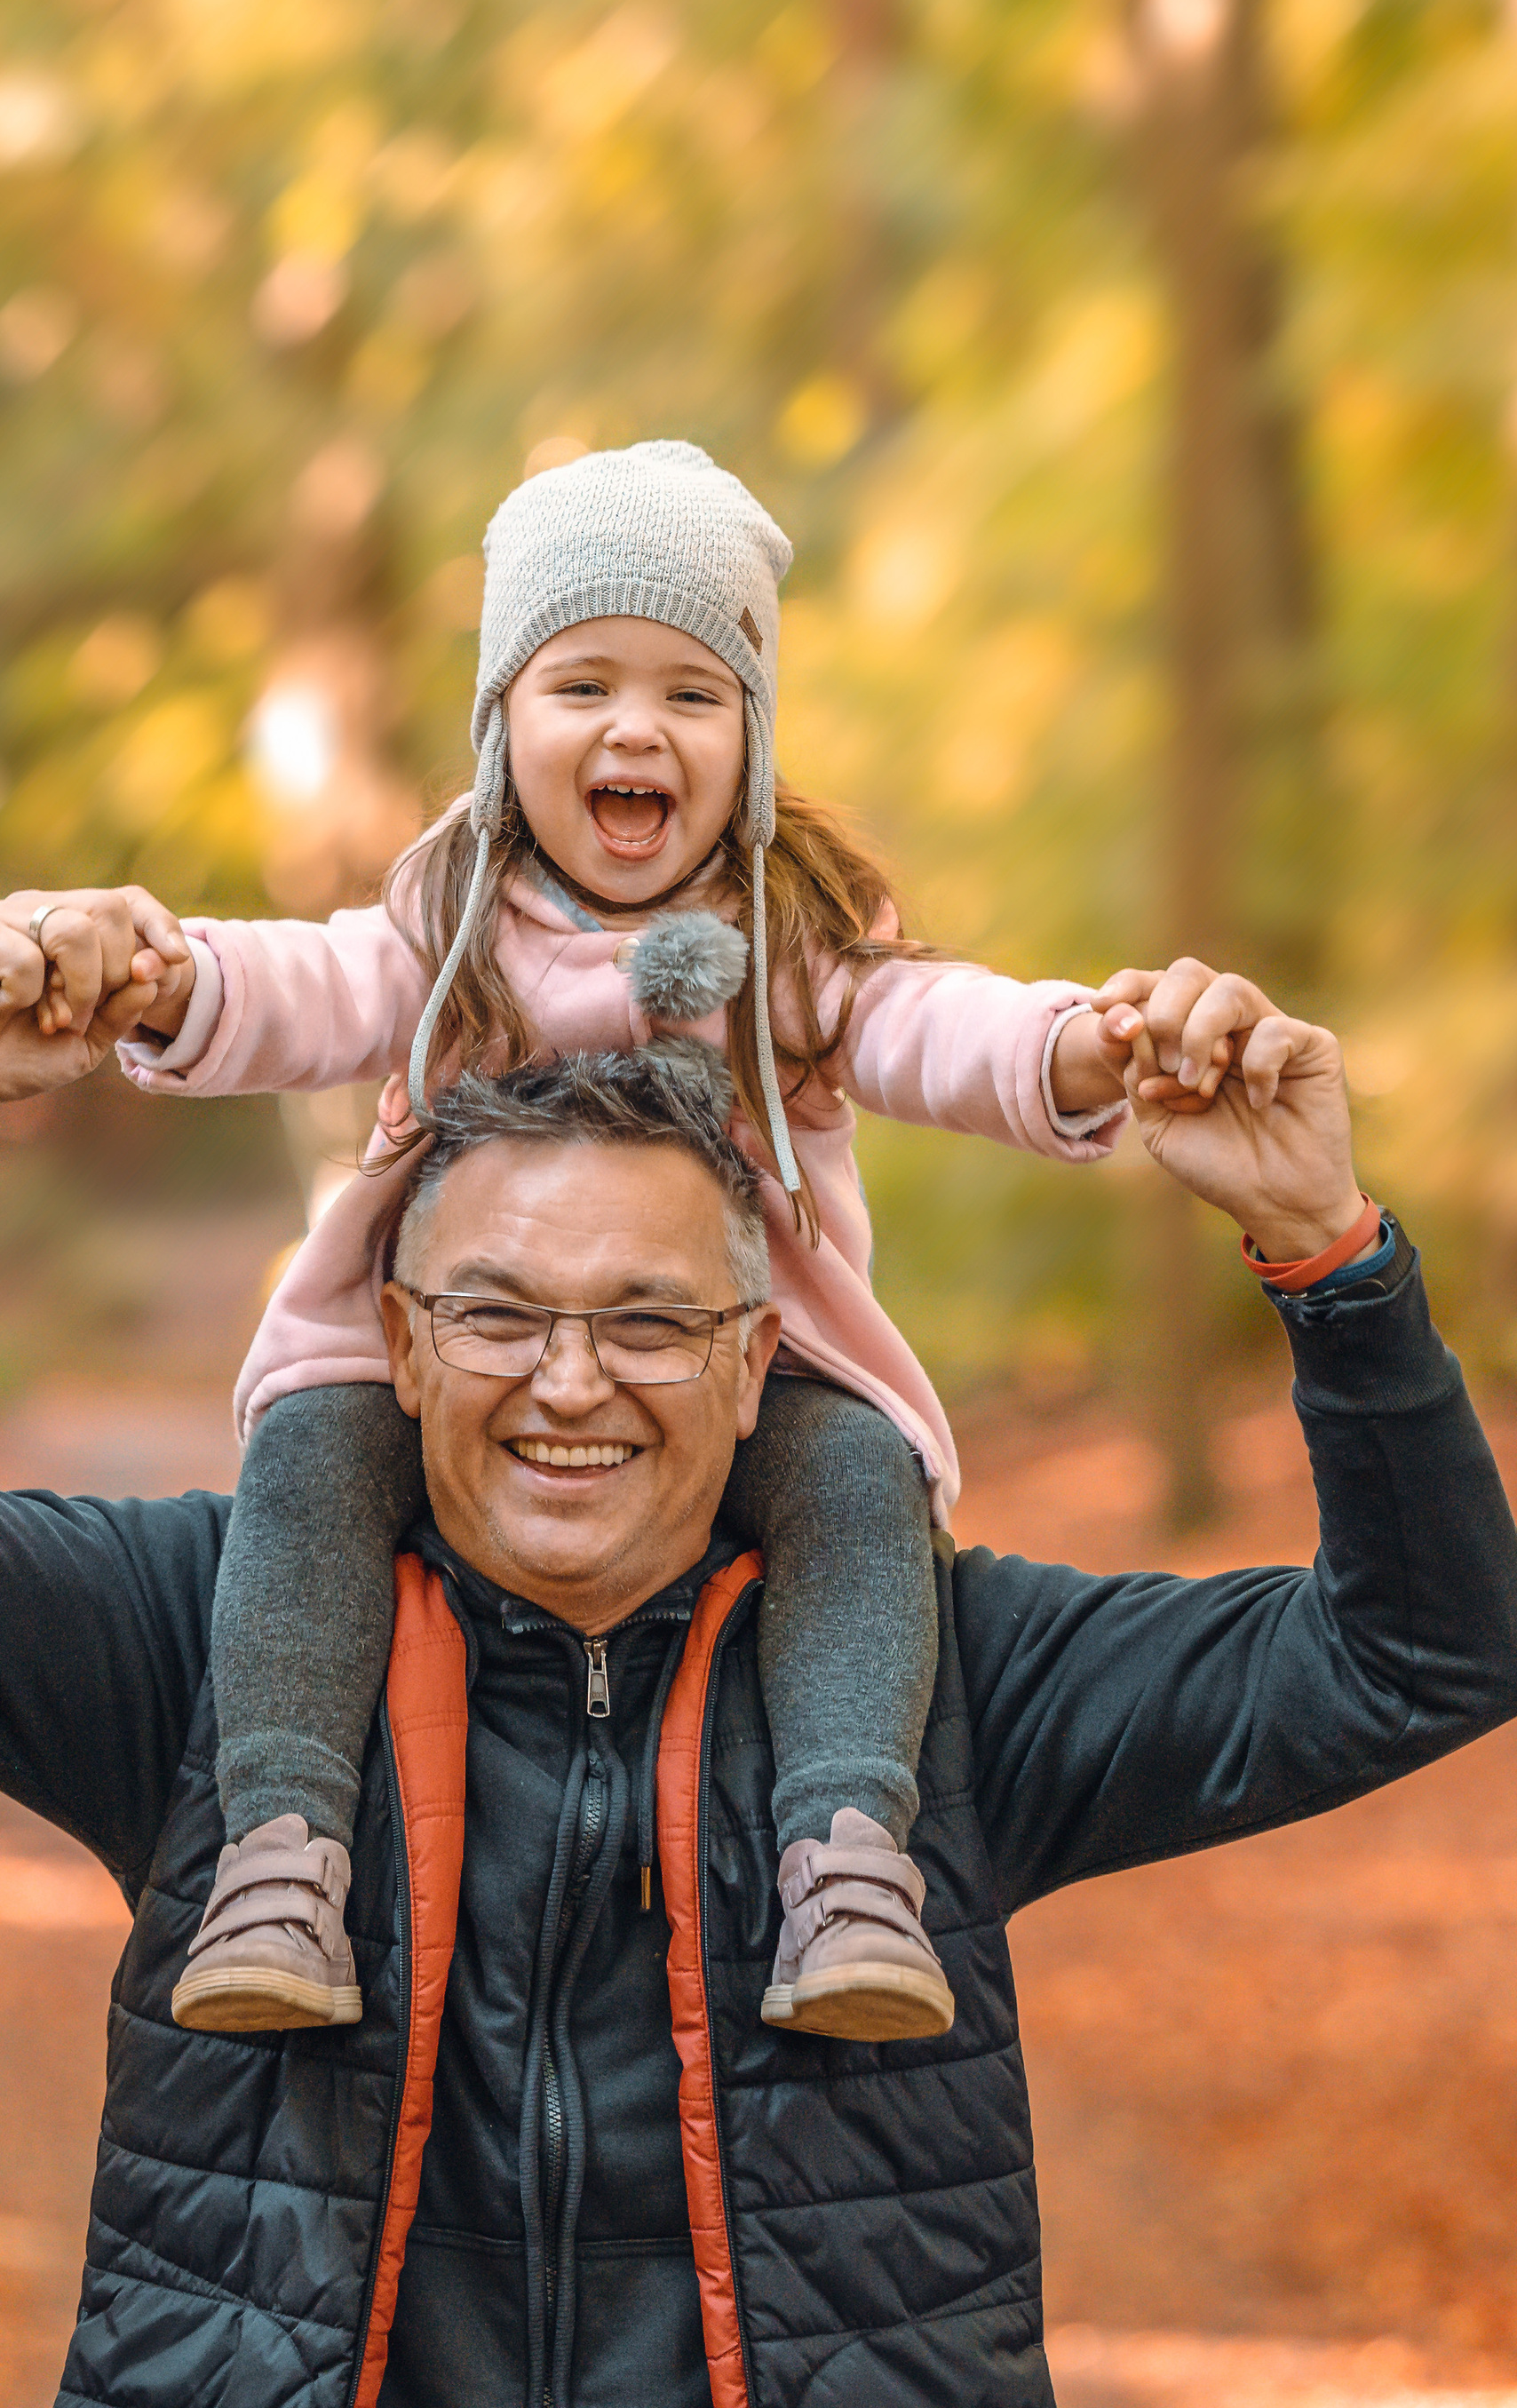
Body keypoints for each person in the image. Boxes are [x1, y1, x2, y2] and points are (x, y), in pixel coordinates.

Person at [0, 925, 1517, 2408]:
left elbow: (1419, 1655)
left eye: (648, 1322)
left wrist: (1327, 1257)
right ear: (392, 1346)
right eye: (494, 1312)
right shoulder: (206, 1647)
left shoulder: (934, 1687)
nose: (569, 1382)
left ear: (754, 1370)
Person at [84, 437, 1156, 2044]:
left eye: (693, 693)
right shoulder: (447, 922)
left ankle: (848, 1853)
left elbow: (934, 1021)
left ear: (752, 741)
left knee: (860, 1490)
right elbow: (305, 988)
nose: (635, 728)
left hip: (748, 1354)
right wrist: (170, 983)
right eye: (581, 685)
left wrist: (1076, 1051)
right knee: (308, 1461)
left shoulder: (778, 937)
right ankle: (283, 1852)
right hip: (450, 1348)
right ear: (500, 726)